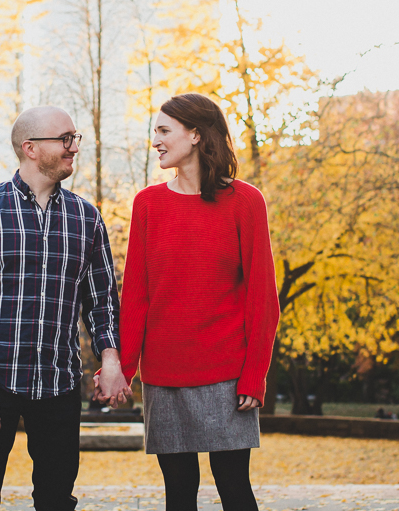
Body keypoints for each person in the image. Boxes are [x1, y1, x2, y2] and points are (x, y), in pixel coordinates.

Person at [0, 105, 131, 511]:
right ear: (30, 148)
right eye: (64, 139)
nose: (74, 148)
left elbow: (102, 303)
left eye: (75, 138)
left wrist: (112, 361)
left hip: (60, 384)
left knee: (56, 501)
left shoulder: (87, 218)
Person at [119, 93, 280, 511]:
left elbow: (263, 298)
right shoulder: (148, 205)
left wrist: (254, 376)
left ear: (194, 134)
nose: (155, 140)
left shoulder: (245, 201)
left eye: (163, 130)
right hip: (164, 376)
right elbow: (136, 296)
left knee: (234, 487)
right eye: (155, 131)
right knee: (179, 492)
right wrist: (123, 369)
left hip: (227, 376)